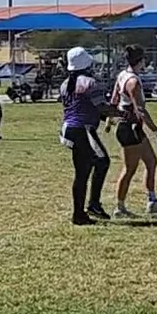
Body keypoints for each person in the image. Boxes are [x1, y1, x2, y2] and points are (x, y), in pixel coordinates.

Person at [109, 47, 157, 216]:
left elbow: (114, 100)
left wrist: (110, 120)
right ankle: (119, 207)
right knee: (130, 169)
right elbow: (140, 110)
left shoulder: (122, 75)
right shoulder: (133, 82)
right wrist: (156, 133)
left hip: (132, 126)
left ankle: (152, 201)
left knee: (151, 161)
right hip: (130, 128)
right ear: (140, 60)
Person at [61, 48, 115, 224]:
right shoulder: (90, 83)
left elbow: (82, 106)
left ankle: (85, 209)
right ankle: (88, 208)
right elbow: (102, 107)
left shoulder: (65, 84)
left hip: (69, 128)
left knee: (85, 170)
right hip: (82, 129)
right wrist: (123, 114)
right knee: (99, 163)